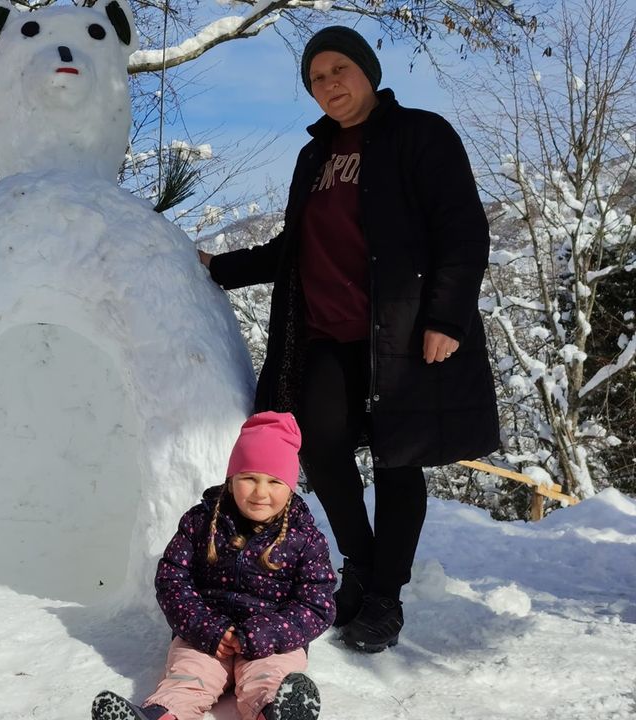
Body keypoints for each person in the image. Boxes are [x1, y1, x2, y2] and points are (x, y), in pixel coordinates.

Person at [201, 26, 499, 653]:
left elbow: (462, 230)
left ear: (367, 70)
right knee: (321, 449)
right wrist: (217, 269)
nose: (330, 84)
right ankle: (361, 564)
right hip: (327, 337)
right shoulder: (315, 157)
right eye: (317, 78)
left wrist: (446, 319)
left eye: (340, 69)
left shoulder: (421, 135)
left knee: (398, 459)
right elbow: (295, 248)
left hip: (404, 333)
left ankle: (384, 596)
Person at [92, 412, 334, 720]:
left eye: (274, 481)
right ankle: (160, 716)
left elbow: (316, 605)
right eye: (249, 478)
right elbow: (172, 580)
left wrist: (267, 632)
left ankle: (276, 713)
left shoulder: (305, 538)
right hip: (206, 634)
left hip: (272, 640)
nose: (261, 492)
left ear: (290, 487)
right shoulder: (201, 522)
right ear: (231, 479)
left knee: (269, 679)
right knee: (188, 678)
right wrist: (205, 627)